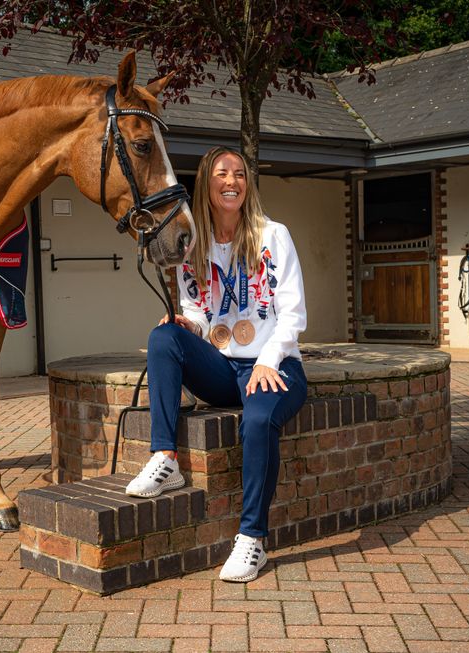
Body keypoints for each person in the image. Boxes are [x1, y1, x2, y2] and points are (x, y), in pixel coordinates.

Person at [125, 146, 308, 583]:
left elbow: (293, 314)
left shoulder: (272, 235)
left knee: (258, 422)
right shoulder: (194, 248)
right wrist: (191, 324)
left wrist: (268, 361)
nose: (232, 182)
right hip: (227, 370)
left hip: (277, 366)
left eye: (240, 174)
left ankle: (252, 541)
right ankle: (165, 458)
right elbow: (204, 314)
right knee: (165, 335)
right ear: (206, 184)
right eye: (222, 174)